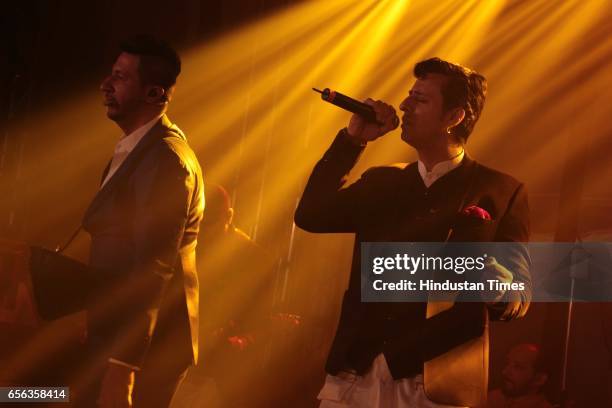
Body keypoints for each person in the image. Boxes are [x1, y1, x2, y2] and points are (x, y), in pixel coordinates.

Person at [294, 58, 531, 407]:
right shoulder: (382, 181)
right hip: (354, 375)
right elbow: (310, 215)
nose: (403, 105)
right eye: (408, 96)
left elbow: (519, 298)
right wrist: (351, 141)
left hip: (434, 381)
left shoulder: (499, 191)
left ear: (454, 117)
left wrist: (497, 287)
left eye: (419, 99)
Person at [79, 35, 204, 407]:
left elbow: (154, 265)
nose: (105, 85)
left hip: (145, 350)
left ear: (154, 94)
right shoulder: (138, 148)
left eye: (120, 77)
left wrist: (122, 368)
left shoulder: (165, 158)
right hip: (118, 336)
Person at [173, 184, 277, 408]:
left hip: (219, 372)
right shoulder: (185, 250)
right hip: (182, 364)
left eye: (211, 225)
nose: (204, 233)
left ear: (229, 216)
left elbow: (260, 321)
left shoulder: (255, 260)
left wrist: (236, 339)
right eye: (200, 225)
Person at [485, 343, 552, 408]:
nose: (504, 372)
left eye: (517, 366)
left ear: (539, 379)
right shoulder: (493, 398)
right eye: (507, 363)